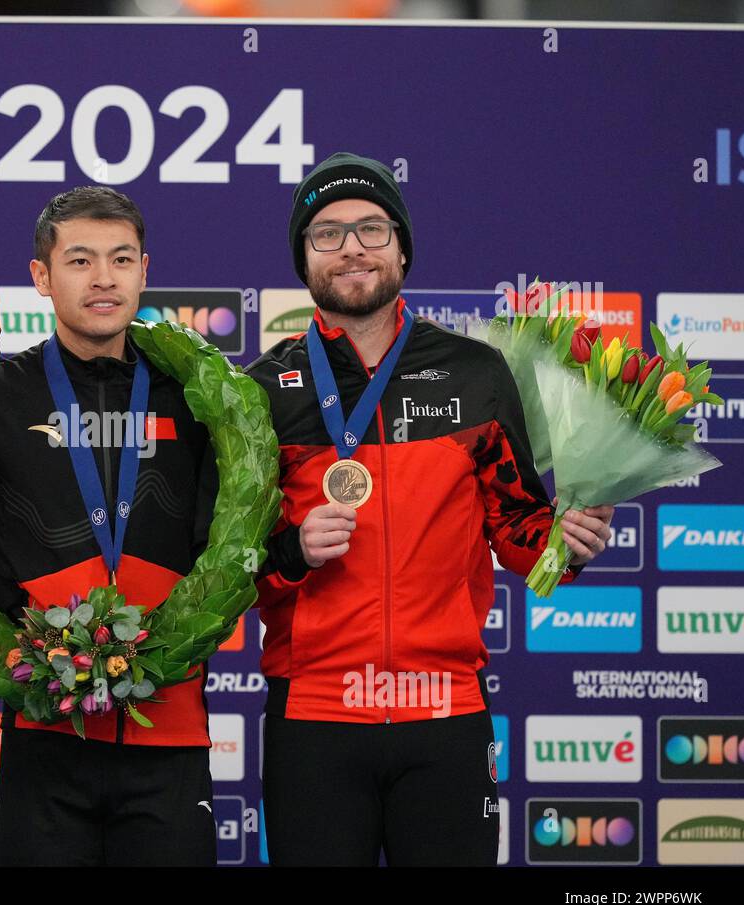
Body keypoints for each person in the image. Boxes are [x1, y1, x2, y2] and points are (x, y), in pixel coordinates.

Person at [246, 152, 615, 866]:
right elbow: (230, 560)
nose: (351, 246)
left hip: (446, 710)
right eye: (327, 233)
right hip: (315, 712)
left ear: (403, 248)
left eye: (372, 229)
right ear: (304, 261)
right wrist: (292, 547)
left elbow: (519, 539)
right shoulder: (265, 389)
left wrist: (565, 544)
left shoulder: (478, 373)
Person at [0, 186, 220, 866]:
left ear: (145, 270)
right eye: (79, 260)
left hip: (171, 733)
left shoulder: (198, 395)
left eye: (121, 258)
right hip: (43, 734)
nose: (104, 278)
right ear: (41, 278)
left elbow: (234, 542)